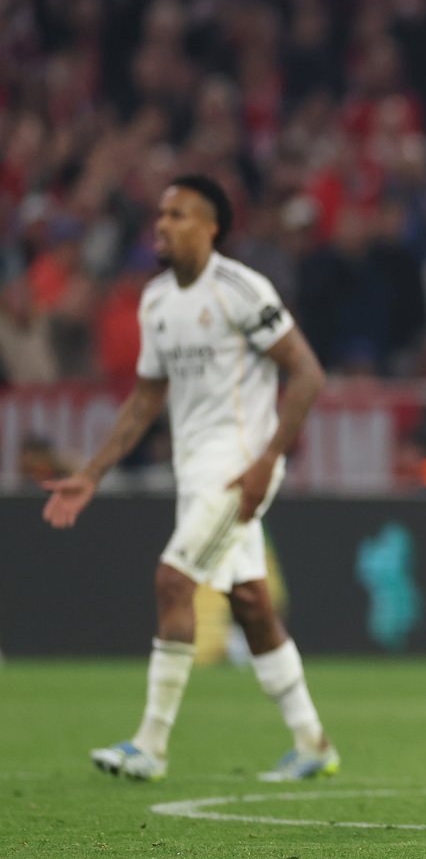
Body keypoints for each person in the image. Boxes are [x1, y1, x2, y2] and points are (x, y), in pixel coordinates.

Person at [43, 174, 339, 782]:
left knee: (174, 580)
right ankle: (313, 743)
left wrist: (267, 459)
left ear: (210, 227)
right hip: (195, 471)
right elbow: (146, 399)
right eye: (161, 214)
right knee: (252, 605)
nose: (162, 225)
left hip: (239, 470)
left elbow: (307, 372)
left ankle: (150, 745)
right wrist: (92, 474)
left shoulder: (239, 289)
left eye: (178, 215)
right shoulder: (155, 301)